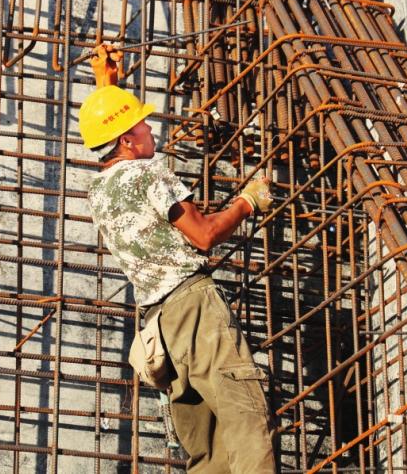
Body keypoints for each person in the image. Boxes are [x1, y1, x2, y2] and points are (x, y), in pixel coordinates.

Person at [79, 44, 276, 473]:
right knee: (245, 415)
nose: (151, 127)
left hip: (160, 326)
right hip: (194, 308)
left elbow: (107, 136)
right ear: (127, 141)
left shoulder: (98, 192)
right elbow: (204, 236)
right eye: (142, 123)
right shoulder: (148, 174)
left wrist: (106, 85)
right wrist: (247, 202)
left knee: (206, 448)